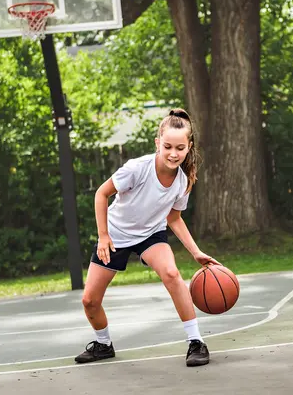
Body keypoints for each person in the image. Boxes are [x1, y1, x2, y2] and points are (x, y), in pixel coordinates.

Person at [74, 108, 221, 367]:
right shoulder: (136, 169)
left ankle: (196, 342)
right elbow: (100, 194)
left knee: (172, 274)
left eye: (180, 148)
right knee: (89, 301)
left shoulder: (183, 181)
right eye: (167, 146)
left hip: (150, 234)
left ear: (189, 147)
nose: (173, 153)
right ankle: (103, 344)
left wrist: (196, 251)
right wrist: (103, 236)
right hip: (116, 235)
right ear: (157, 143)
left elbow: (173, 218)